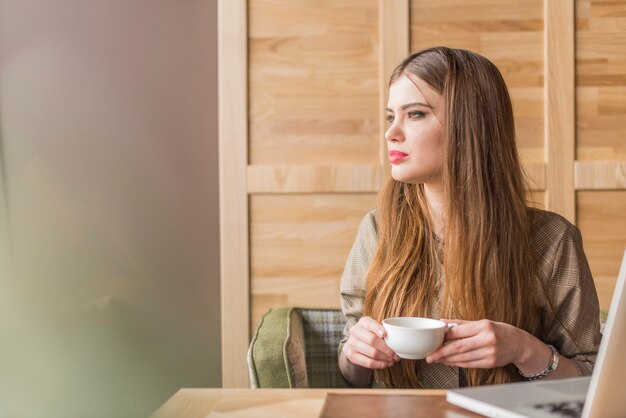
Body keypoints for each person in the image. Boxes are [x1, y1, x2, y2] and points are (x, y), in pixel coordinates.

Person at [338, 46, 601, 389]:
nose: (391, 133)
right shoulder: (376, 229)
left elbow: (592, 379)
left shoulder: (552, 239)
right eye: (391, 116)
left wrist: (524, 350)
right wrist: (356, 353)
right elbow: (351, 370)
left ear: (469, 125)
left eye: (414, 114)